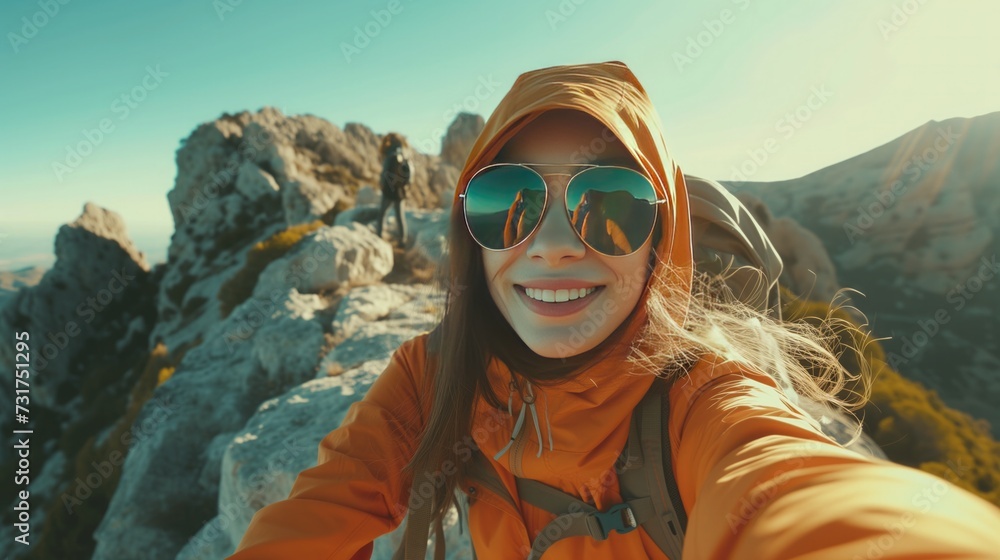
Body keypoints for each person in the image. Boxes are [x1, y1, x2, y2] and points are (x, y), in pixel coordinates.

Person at [229, 61, 1000, 559]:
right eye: (508, 200)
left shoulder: (705, 407)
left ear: (660, 239)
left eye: (611, 205)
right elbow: (313, 518)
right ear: (470, 229)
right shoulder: (435, 373)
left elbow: (799, 495)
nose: (554, 244)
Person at [375, 132, 412, 247]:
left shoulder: (389, 154)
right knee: (400, 217)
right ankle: (403, 241)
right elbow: (409, 174)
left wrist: (382, 184)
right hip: (400, 191)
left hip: (389, 190)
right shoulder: (405, 154)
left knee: (382, 214)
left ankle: (379, 236)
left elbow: (384, 172)